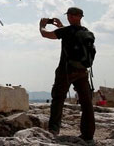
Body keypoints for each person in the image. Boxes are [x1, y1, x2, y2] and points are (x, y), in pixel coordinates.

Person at [40, 7, 95, 141]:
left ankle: (53, 130)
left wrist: (41, 25)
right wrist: (61, 26)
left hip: (66, 71)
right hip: (82, 72)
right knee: (86, 103)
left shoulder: (66, 31)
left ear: (71, 16)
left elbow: (46, 34)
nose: (69, 18)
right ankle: (88, 135)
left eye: (69, 15)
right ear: (81, 17)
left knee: (58, 99)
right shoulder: (87, 33)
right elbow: (73, 35)